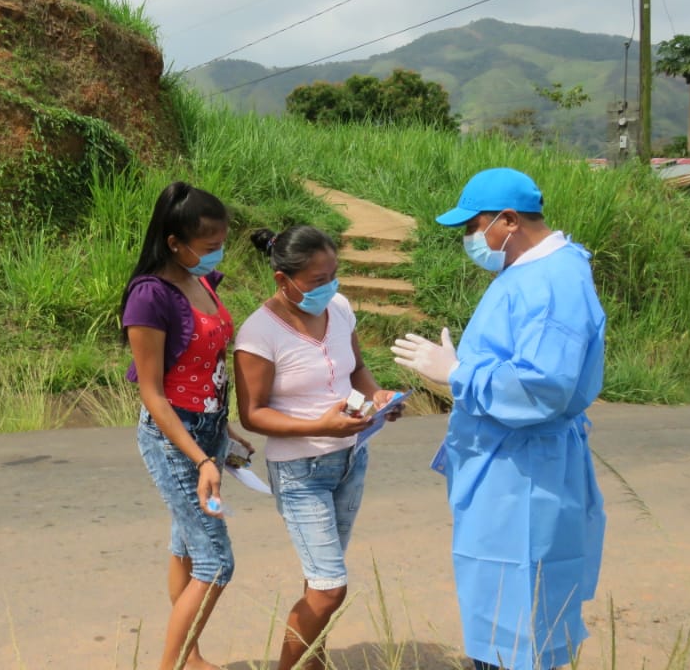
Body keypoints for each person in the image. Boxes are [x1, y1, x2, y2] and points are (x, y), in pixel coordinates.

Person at [390, 167, 607, 670]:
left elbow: (542, 385)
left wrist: (460, 375)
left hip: (524, 473)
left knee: (518, 619)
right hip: (508, 465)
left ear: (508, 221)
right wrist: (466, 364)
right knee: (499, 603)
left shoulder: (553, 281)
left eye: (474, 225)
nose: (470, 238)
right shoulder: (531, 270)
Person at [234, 225, 402, 670]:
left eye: (334, 274)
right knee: (330, 587)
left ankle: (314, 662)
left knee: (322, 582)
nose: (328, 286)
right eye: (315, 280)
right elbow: (252, 413)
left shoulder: (339, 307)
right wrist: (319, 424)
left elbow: (358, 369)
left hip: (351, 459)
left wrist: (379, 398)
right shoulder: (258, 334)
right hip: (300, 472)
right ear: (282, 280)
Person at [120, 181, 253, 670]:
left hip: (209, 428)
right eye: (209, 245)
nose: (217, 253)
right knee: (217, 561)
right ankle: (172, 665)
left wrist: (224, 427)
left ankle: (190, 656)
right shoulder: (149, 298)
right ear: (175, 243)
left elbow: (207, 363)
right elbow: (153, 393)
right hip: (175, 439)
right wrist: (200, 460)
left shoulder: (203, 282)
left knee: (185, 545)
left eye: (221, 242)